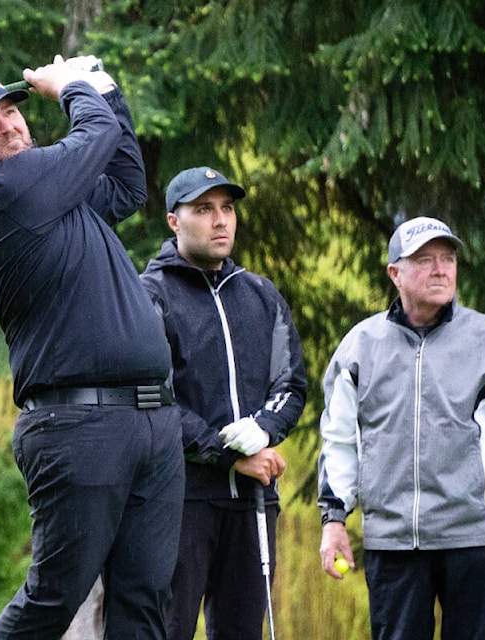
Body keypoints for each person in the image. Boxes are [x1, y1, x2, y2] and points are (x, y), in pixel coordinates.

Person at [0, 56, 185, 639]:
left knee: (144, 599)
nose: (11, 126)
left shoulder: (55, 197)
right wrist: (72, 86)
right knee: (55, 598)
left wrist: (104, 86)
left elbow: (125, 184)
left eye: (13, 111)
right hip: (78, 424)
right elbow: (95, 135)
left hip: (150, 421)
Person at [317, 216, 485, 640]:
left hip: (473, 539)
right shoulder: (360, 346)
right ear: (395, 273)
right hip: (393, 545)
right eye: (424, 260)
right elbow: (339, 443)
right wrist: (334, 520)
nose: (441, 269)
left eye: (448, 258)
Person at [140, 167, 308, 640]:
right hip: (180, 501)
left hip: (252, 504)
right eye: (204, 209)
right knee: (166, 631)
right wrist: (230, 453)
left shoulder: (260, 294)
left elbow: (290, 384)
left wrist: (266, 430)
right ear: (174, 221)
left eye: (227, 208)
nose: (220, 221)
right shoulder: (150, 295)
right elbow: (154, 399)